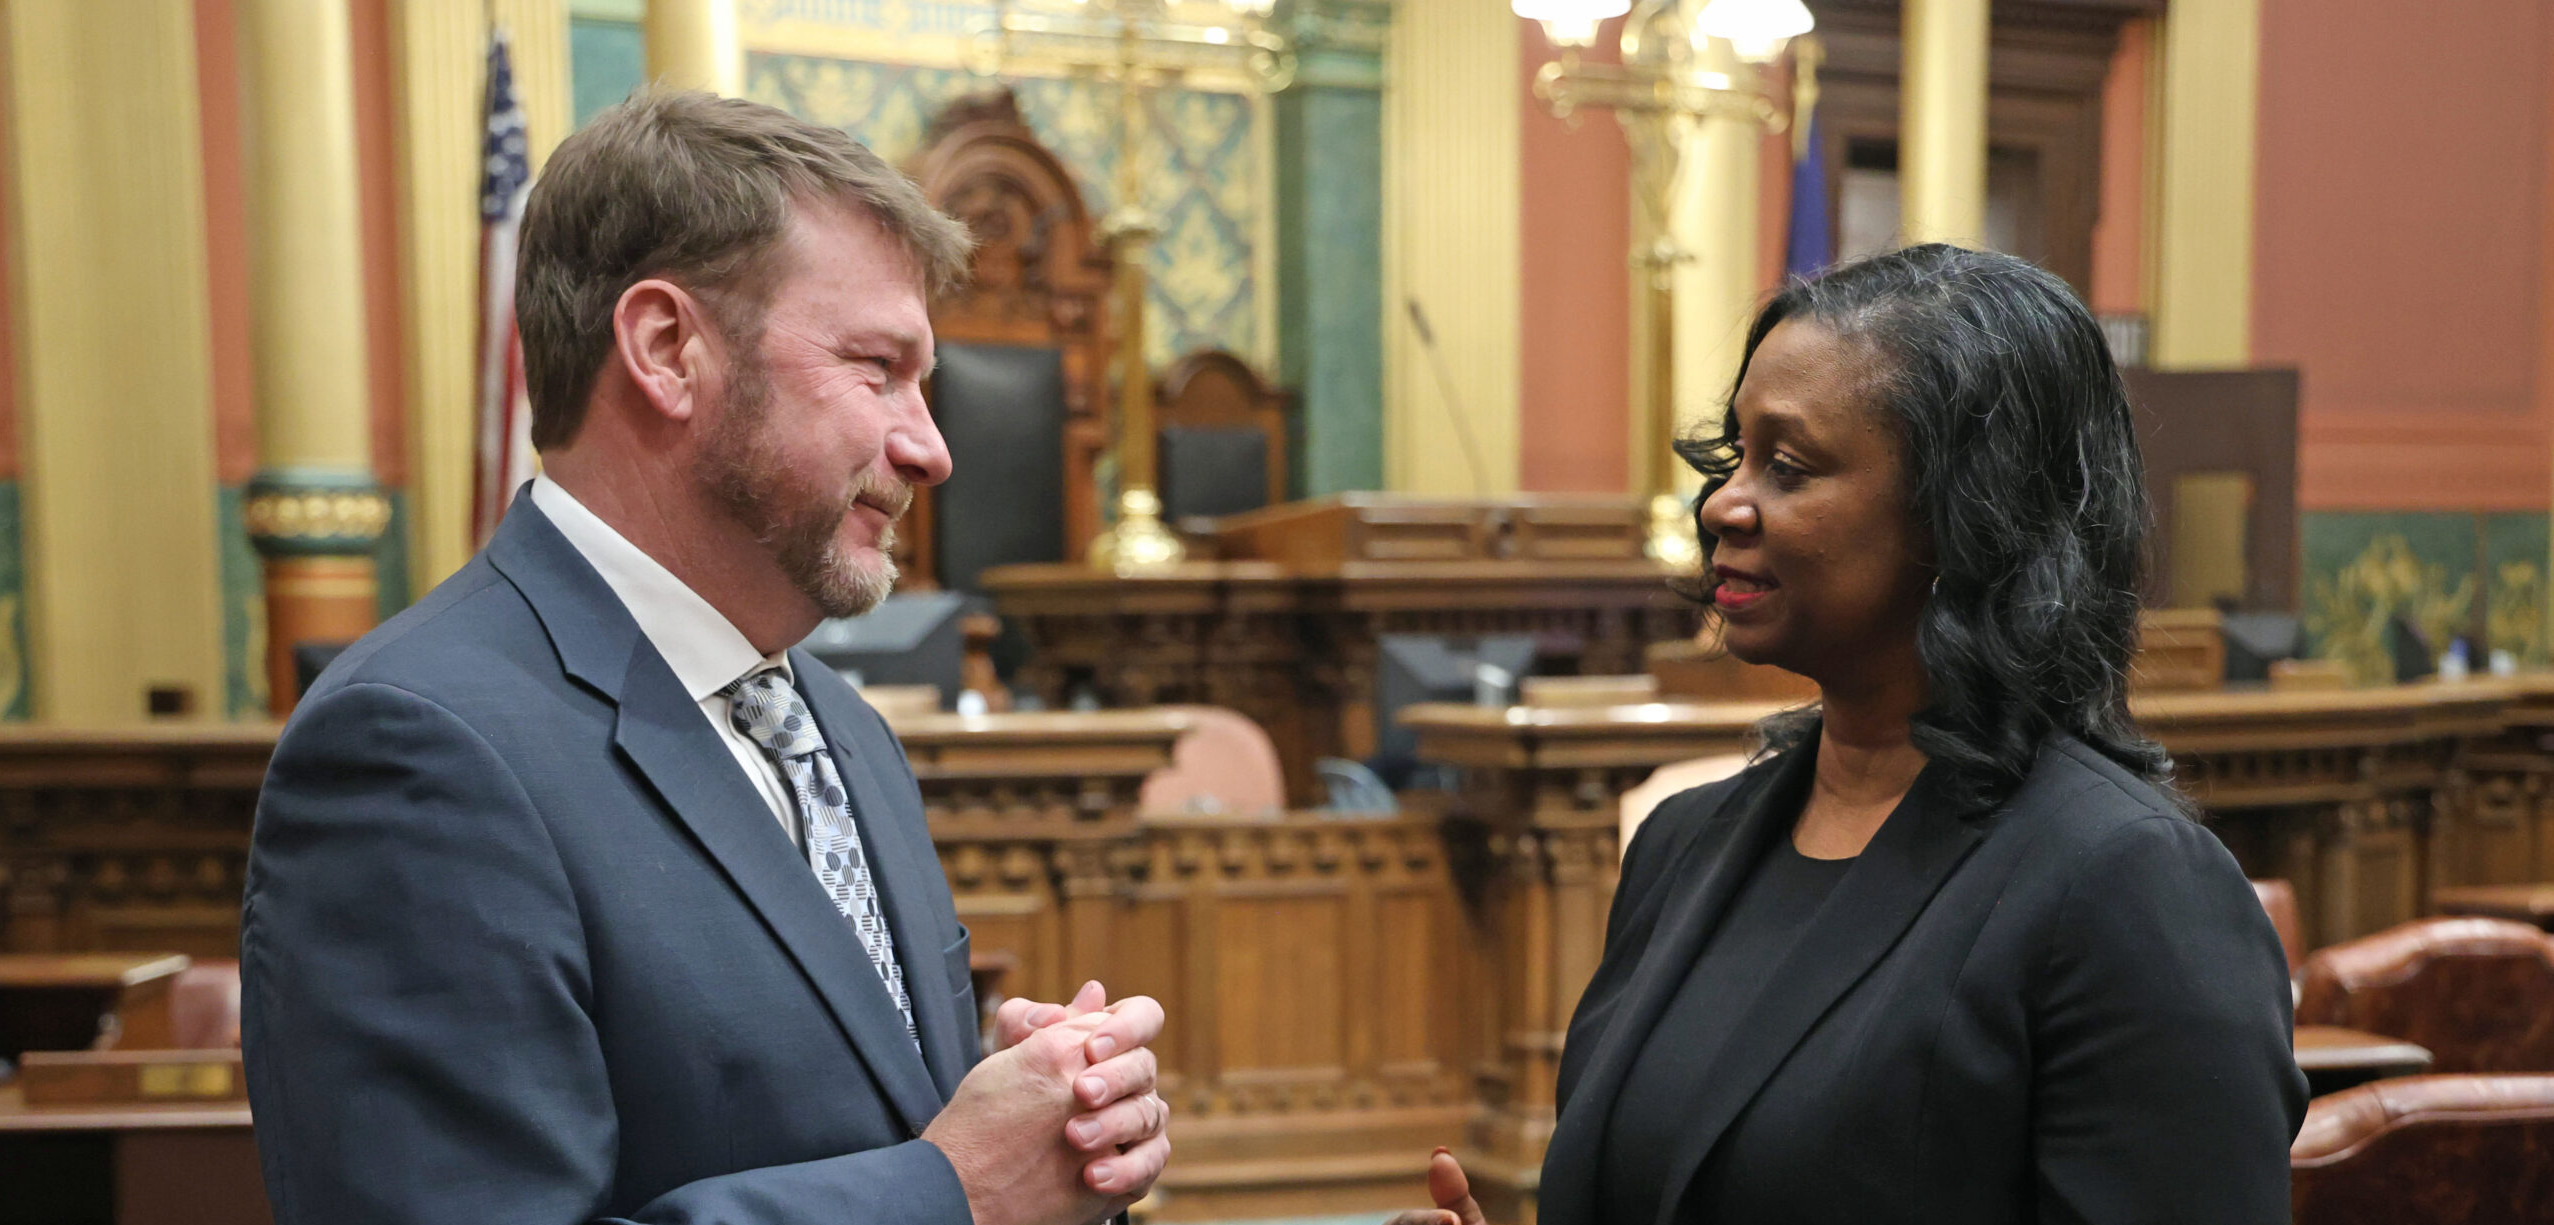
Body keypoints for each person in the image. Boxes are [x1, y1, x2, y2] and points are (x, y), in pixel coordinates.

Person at [241, 90, 1168, 1225]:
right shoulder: (419, 750)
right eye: (876, 368)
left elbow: (846, 1117)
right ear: (669, 350)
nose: (929, 446)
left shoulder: (844, 729)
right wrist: (956, 1190)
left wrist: (1040, 1119)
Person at [1396, 245, 2307, 1225]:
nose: (1721, 504)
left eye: (1786, 467)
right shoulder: (1681, 845)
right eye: (1733, 455)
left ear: (1966, 514)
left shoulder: (2128, 887)